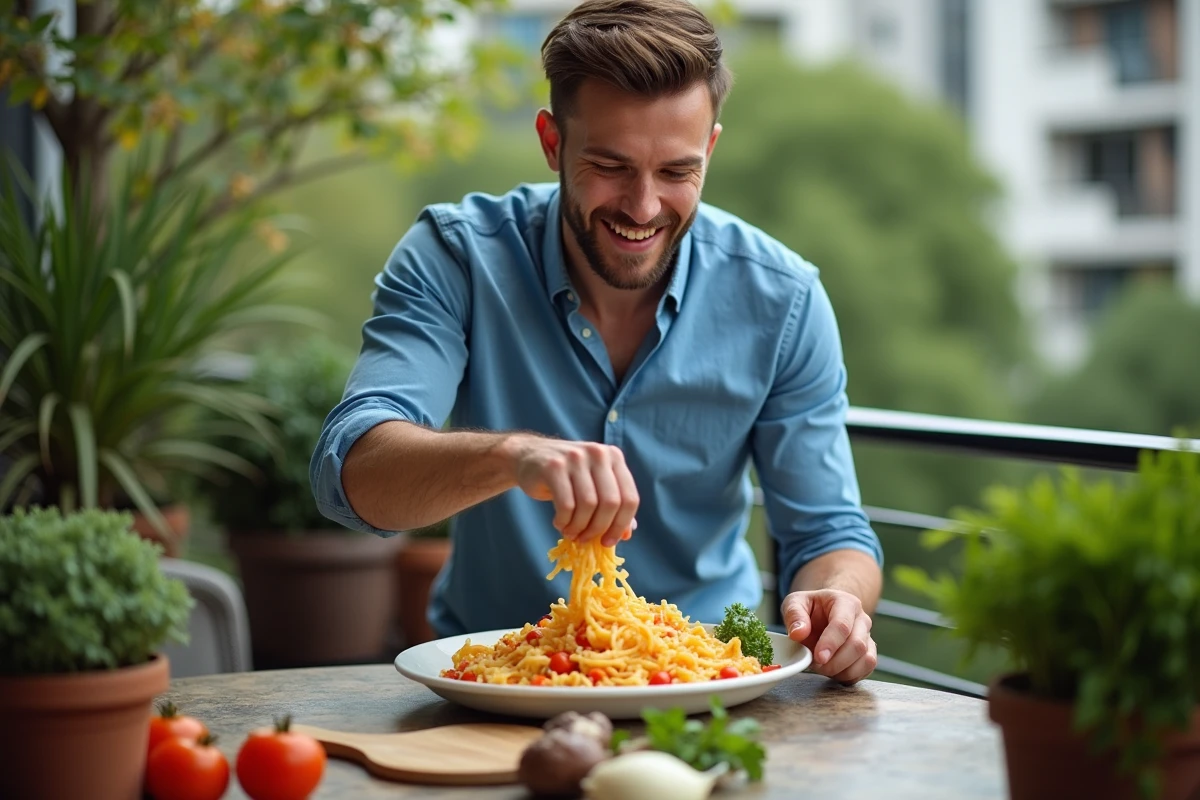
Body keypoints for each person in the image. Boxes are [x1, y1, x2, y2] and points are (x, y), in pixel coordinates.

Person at [311, 0, 883, 685]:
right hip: (493, 688)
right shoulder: (455, 256)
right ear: (552, 142)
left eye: (677, 172)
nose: (643, 207)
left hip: (707, 687)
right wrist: (513, 456)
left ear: (709, 150)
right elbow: (353, 475)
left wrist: (838, 599)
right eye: (611, 165)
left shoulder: (784, 298)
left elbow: (828, 533)